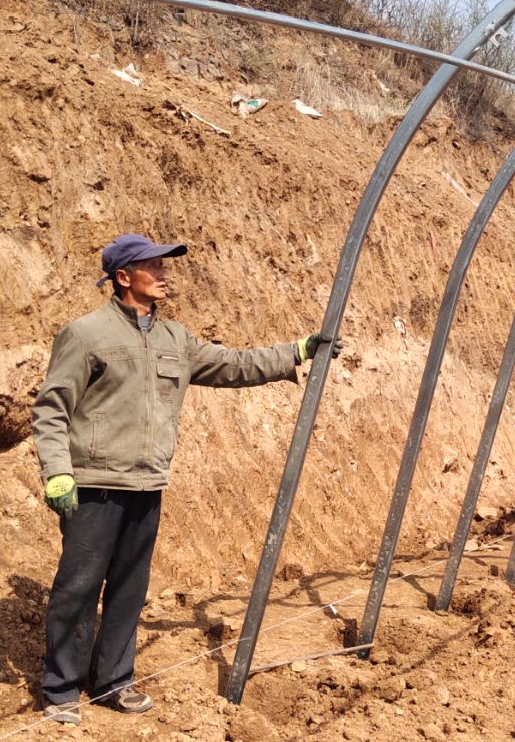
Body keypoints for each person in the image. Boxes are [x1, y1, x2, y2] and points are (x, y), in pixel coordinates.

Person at [30, 233, 338, 725]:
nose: (164, 274)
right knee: (79, 587)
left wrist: (296, 351)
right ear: (123, 277)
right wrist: (59, 472)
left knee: (129, 588)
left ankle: (112, 681)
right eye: (152, 266)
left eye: (164, 266)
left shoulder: (177, 338)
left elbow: (234, 364)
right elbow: (51, 409)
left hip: (147, 484)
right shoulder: (85, 334)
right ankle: (61, 688)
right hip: (93, 485)